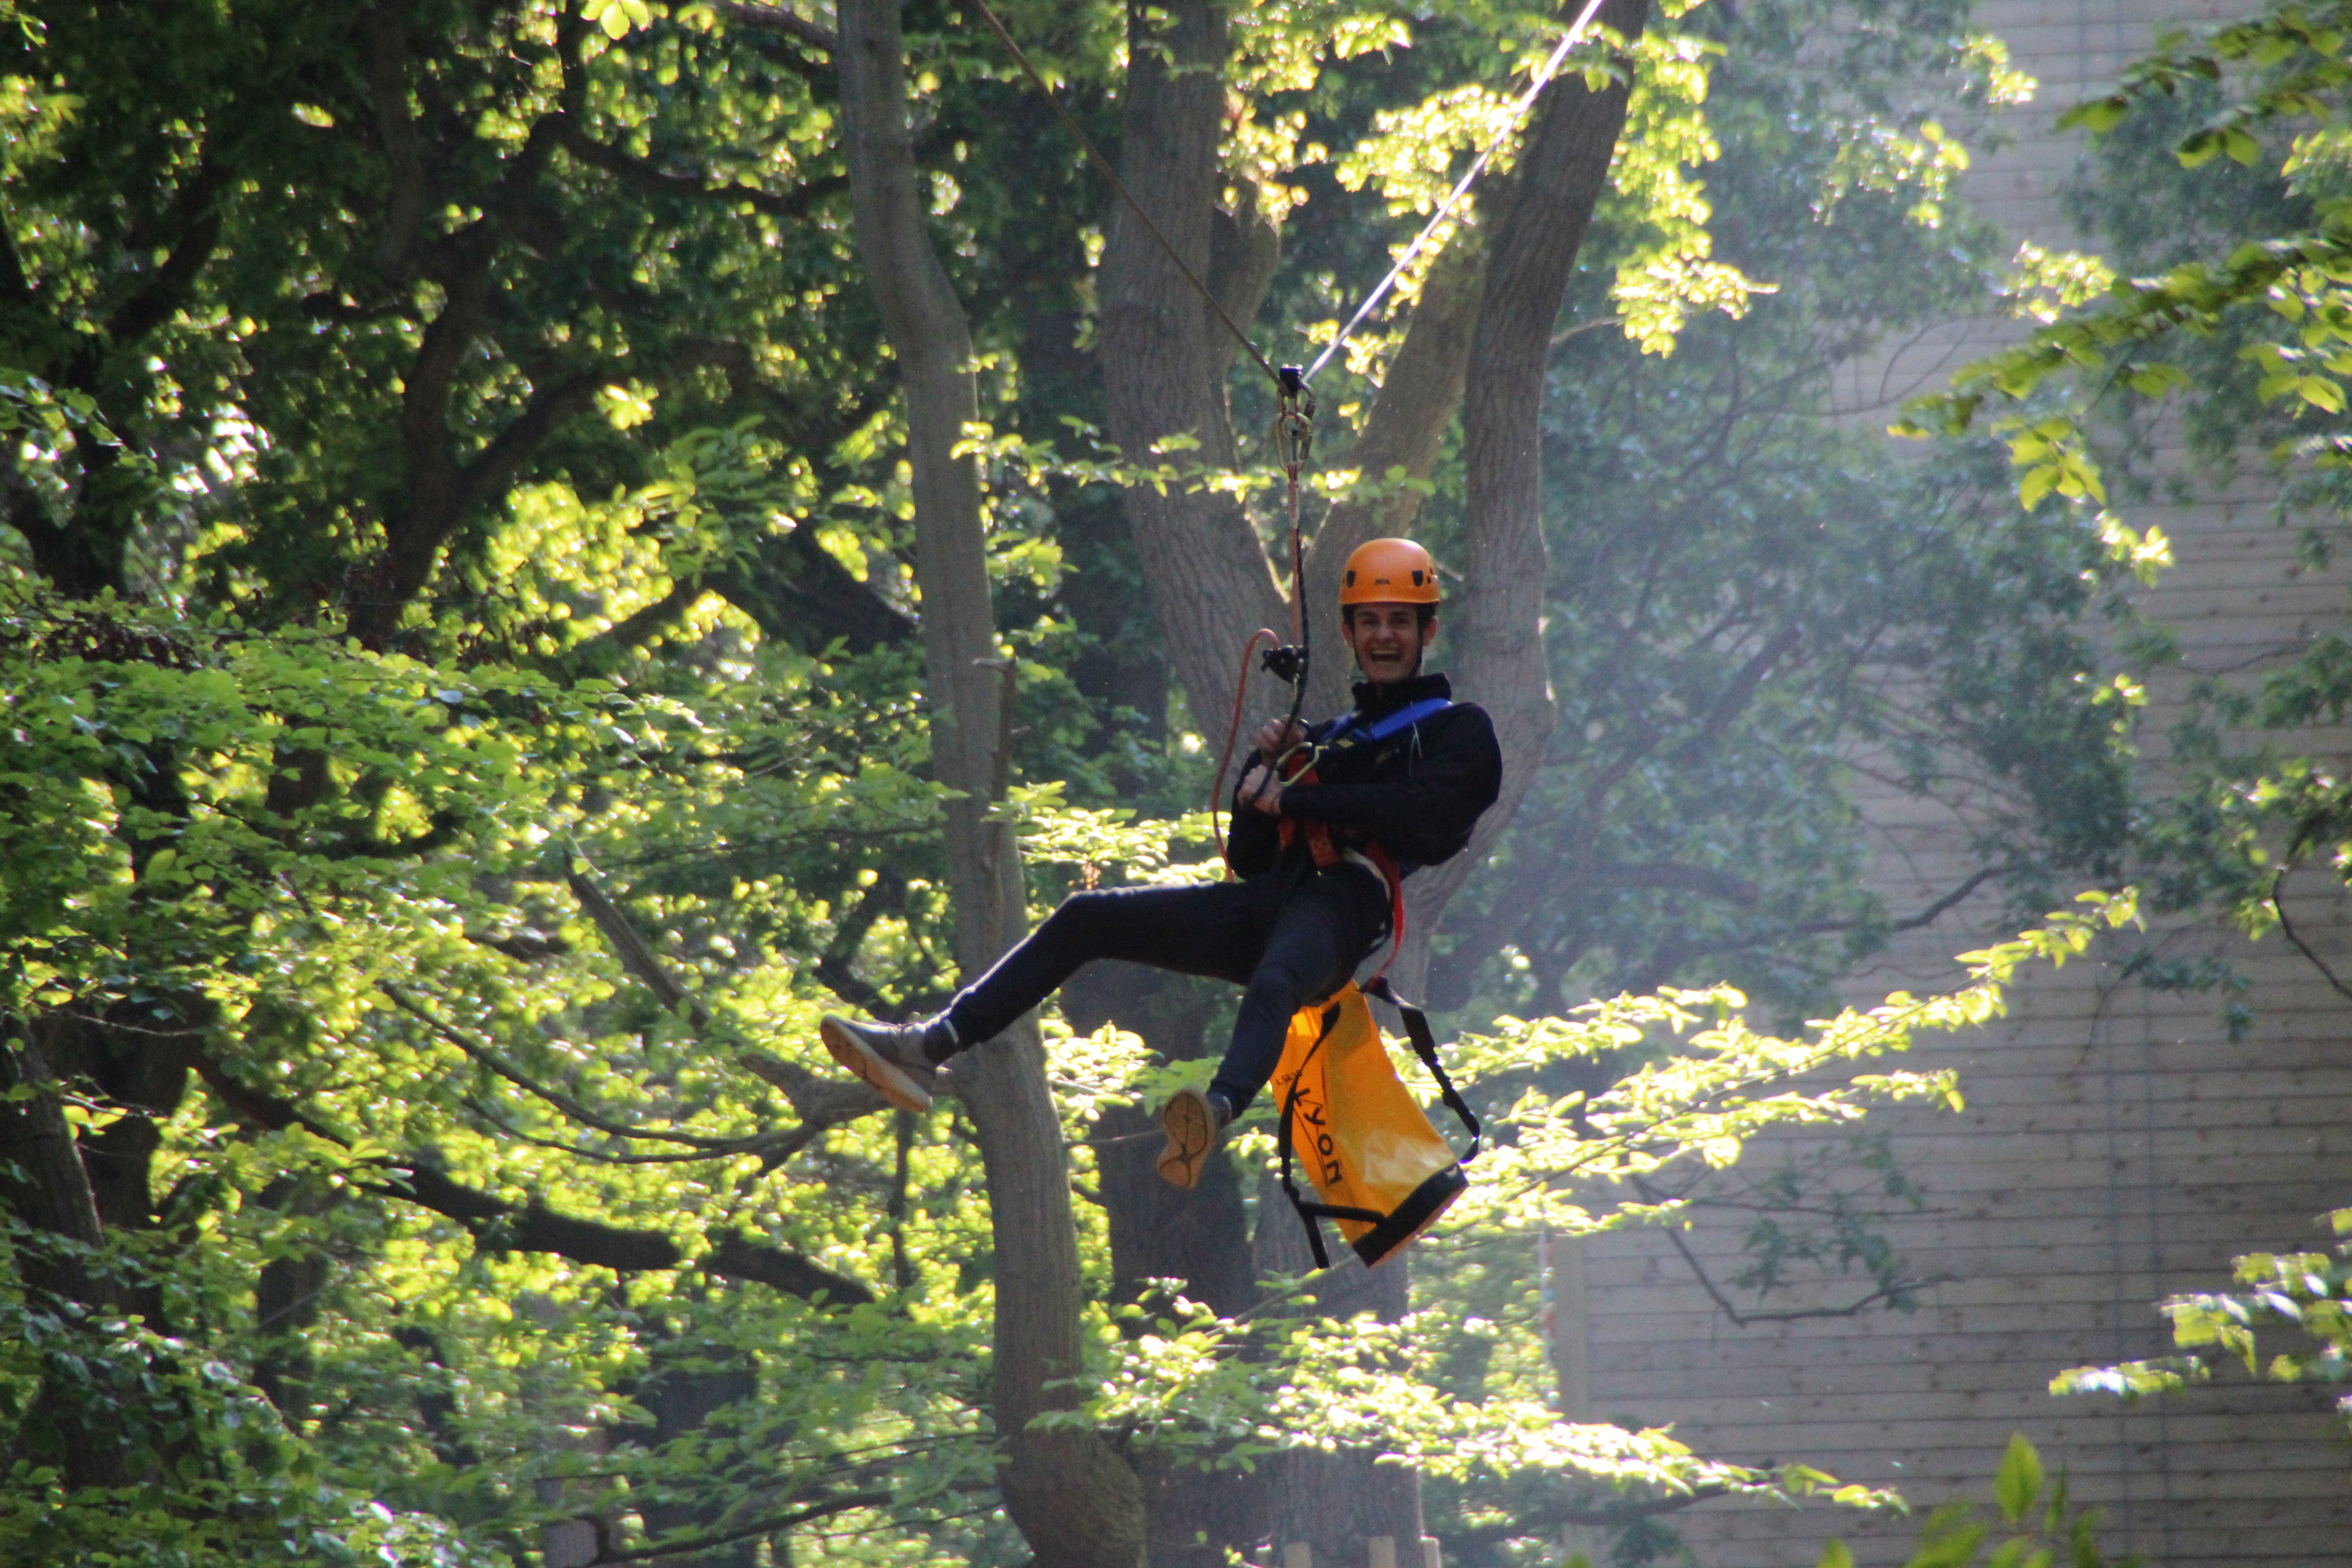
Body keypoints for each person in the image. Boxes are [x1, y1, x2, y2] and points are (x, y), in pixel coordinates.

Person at [818, 538, 1503, 1189]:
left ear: (1427, 633)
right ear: (1351, 634)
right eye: (1371, 622)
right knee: (1089, 917)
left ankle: (1216, 1110)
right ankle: (928, 1046)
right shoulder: (1326, 738)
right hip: (1273, 901)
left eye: (1400, 623)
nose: (1385, 636)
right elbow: (1249, 856)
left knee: (1278, 981)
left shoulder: (1456, 731)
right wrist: (1262, 774)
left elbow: (1428, 817)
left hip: (1345, 906)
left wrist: (1300, 792)